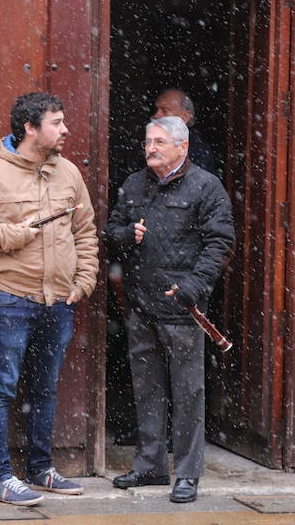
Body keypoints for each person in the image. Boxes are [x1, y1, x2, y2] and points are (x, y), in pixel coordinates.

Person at [0, 92, 99, 506]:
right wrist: (15, 235)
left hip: (59, 303)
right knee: (1, 388)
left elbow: (85, 231)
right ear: (30, 128)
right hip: (12, 299)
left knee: (45, 390)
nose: (65, 129)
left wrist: (84, 280)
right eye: (56, 122)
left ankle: (40, 469)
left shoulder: (69, 173)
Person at [104, 116, 234, 504]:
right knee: (147, 388)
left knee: (188, 392)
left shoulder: (206, 187)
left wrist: (193, 286)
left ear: (182, 147)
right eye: (148, 142)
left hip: (182, 308)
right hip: (141, 305)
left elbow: (220, 243)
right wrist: (125, 236)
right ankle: (151, 465)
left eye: (159, 142)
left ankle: (188, 474)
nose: (151, 148)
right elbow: (111, 232)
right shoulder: (134, 184)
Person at [153, 89, 217, 174]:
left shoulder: (198, 152)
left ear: (185, 117)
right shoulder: (150, 146)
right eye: (156, 110)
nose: (156, 116)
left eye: (164, 111)